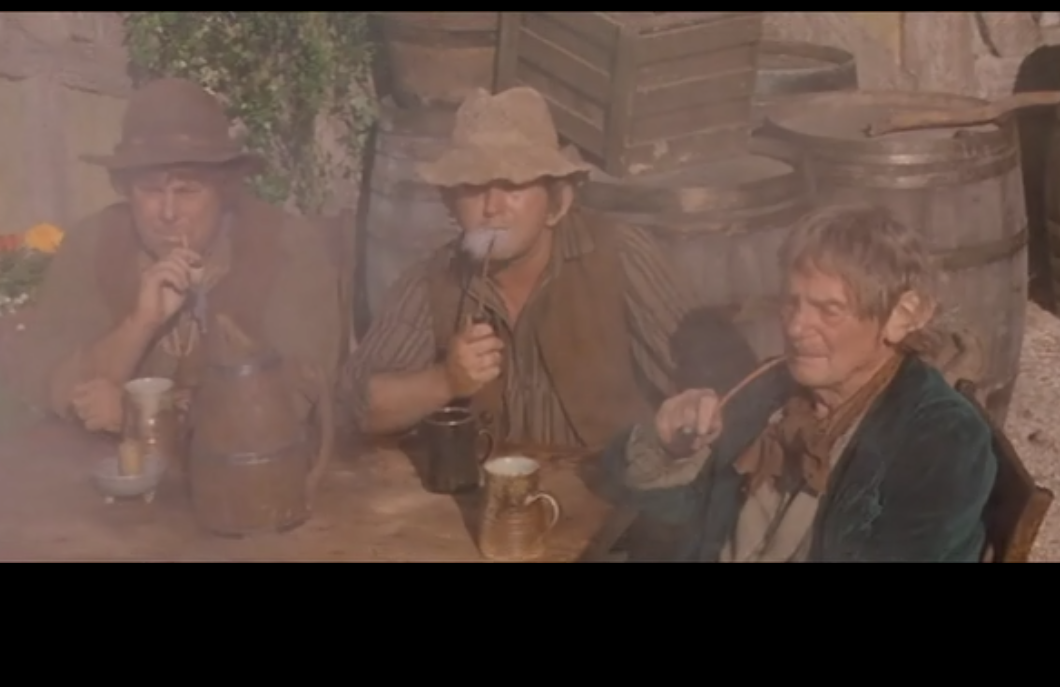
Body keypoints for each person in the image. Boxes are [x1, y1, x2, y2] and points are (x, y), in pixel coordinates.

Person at [338, 86, 755, 451]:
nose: (492, 207)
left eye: (513, 185)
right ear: (449, 202)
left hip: (610, 501)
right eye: (473, 187)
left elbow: (719, 377)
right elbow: (355, 405)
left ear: (558, 201)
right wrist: (445, 380)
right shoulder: (437, 279)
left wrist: (695, 412)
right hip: (487, 502)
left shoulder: (616, 254)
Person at [601, 203, 998, 562]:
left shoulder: (940, 439)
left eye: (829, 310)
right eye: (791, 302)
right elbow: (677, 516)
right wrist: (670, 447)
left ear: (901, 316)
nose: (795, 327)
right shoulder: (770, 390)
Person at [15, 77, 345, 433]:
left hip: (252, 464)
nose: (168, 212)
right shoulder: (93, 244)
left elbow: (298, 392)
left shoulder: (285, 247)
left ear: (223, 189)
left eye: (187, 190)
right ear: (125, 189)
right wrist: (140, 323)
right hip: (100, 460)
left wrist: (145, 417)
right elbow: (54, 381)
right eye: (150, 190)